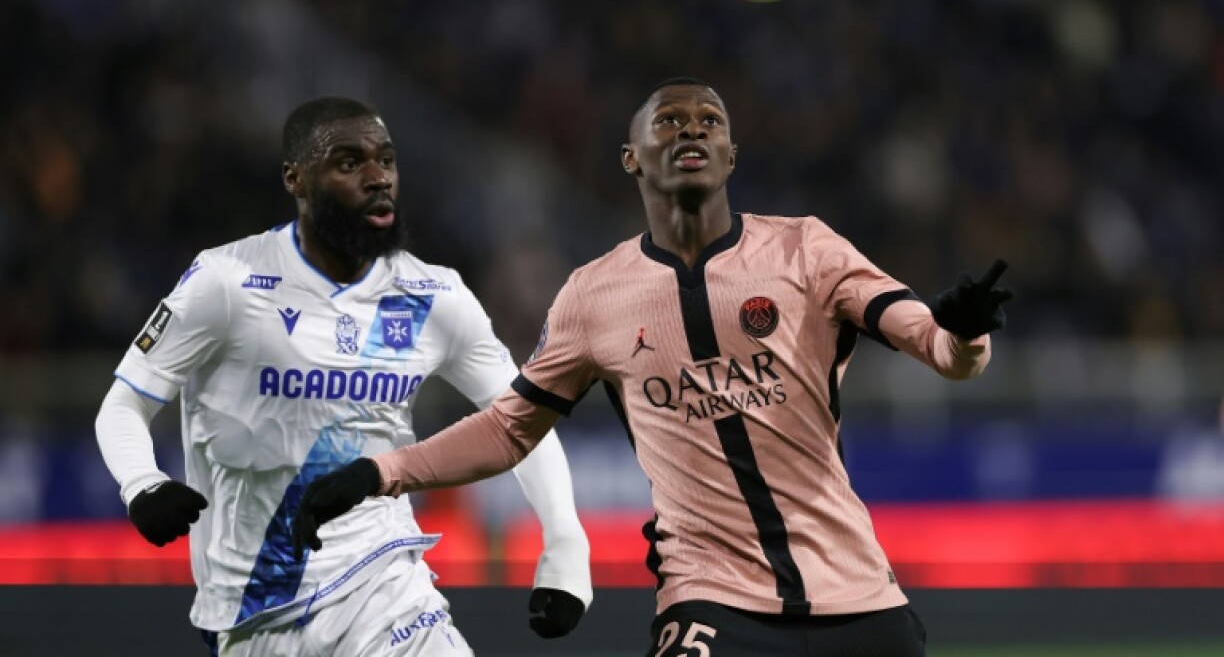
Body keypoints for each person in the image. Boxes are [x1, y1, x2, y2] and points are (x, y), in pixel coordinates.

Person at [292, 79, 1012, 656]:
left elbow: (942, 352)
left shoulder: (807, 251)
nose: (691, 130)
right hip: (713, 602)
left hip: (859, 598)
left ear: (731, 156)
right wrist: (382, 472)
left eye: (709, 121)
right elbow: (510, 428)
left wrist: (966, 331)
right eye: (669, 121)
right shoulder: (593, 295)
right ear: (631, 157)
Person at [95, 96, 591, 656]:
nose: (378, 178)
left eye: (387, 160)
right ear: (296, 179)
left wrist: (565, 542)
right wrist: (142, 483)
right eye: (350, 163)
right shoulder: (226, 281)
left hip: (388, 588)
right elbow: (124, 403)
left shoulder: (434, 295)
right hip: (255, 613)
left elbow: (520, 421)